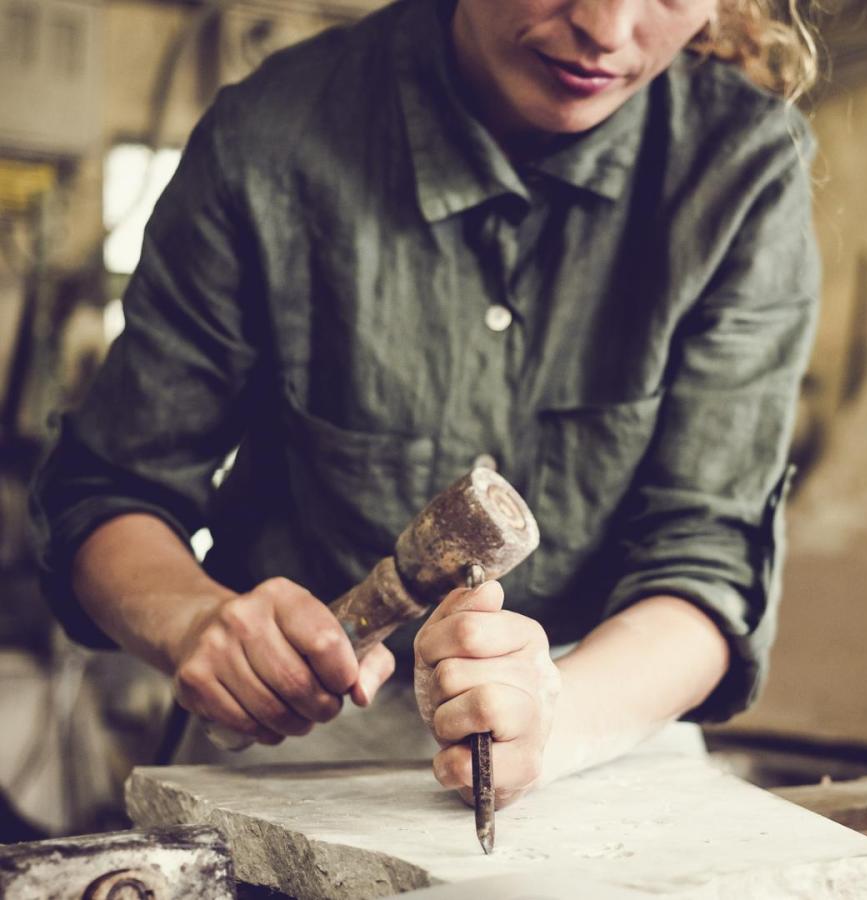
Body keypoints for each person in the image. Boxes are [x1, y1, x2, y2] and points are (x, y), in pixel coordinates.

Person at [31, 0, 821, 808]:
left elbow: (707, 564)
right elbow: (109, 491)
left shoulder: (744, 164)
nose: (608, 30)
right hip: (295, 764)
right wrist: (194, 621)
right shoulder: (272, 134)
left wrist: (551, 714)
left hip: (604, 731)